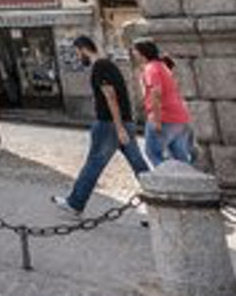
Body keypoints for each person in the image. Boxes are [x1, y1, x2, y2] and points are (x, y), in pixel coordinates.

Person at [53, 35, 150, 217]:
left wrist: (118, 127)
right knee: (139, 164)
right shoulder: (108, 64)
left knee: (94, 164)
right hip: (123, 122)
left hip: (109, 124)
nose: (77, 56)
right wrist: (123, 125)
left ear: (83, 49)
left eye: (77, 52)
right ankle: (159, 199)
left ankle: (75, 203)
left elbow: (110, 96)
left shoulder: (100, 66)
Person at [134, 40, 196, 166]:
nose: (133, 54)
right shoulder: (163, 66)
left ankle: (165, 178)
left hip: (164, 117)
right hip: (180, 117)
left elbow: (156, 93)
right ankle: (185, 178)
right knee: (180, 158)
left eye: (135, 51)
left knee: (153, 153)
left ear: (142, 53)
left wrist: (156, 120)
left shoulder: (151, 68)